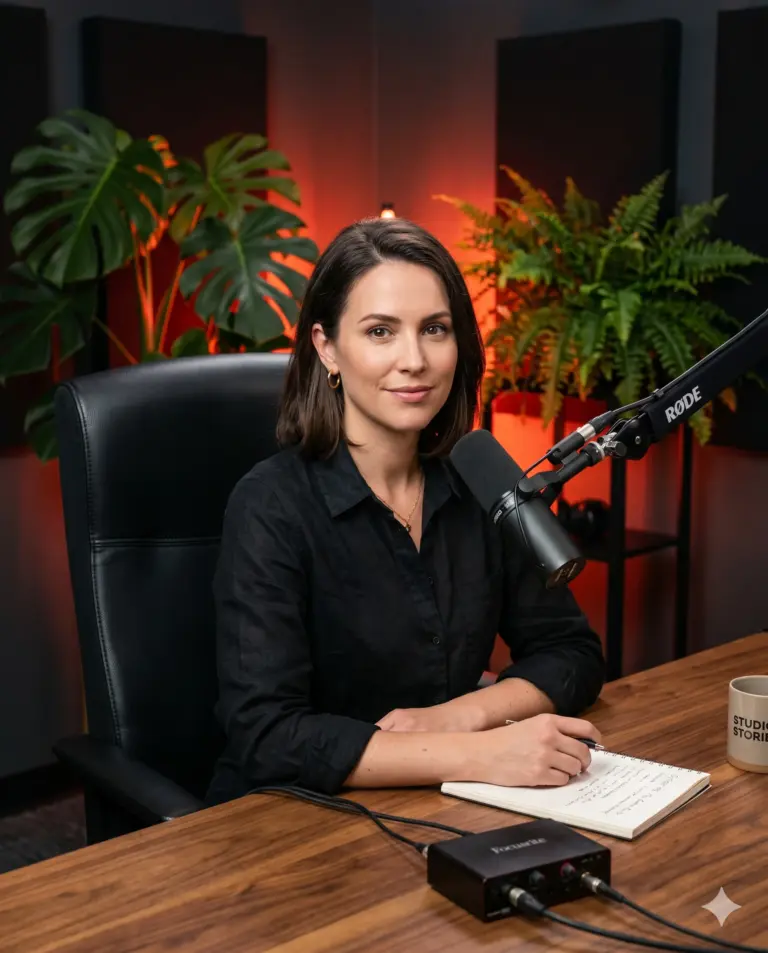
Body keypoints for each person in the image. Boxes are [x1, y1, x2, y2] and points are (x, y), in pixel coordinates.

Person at [205, 217, 606, 806]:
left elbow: (572, 653)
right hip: (292, 825)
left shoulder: (480, 482)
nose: (414, 359)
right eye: (380, 332)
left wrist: (463, 717)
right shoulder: (270, 506)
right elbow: (266, 736)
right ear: (326, 347)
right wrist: (481, 754)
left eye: (435, 329)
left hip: (441, 807)